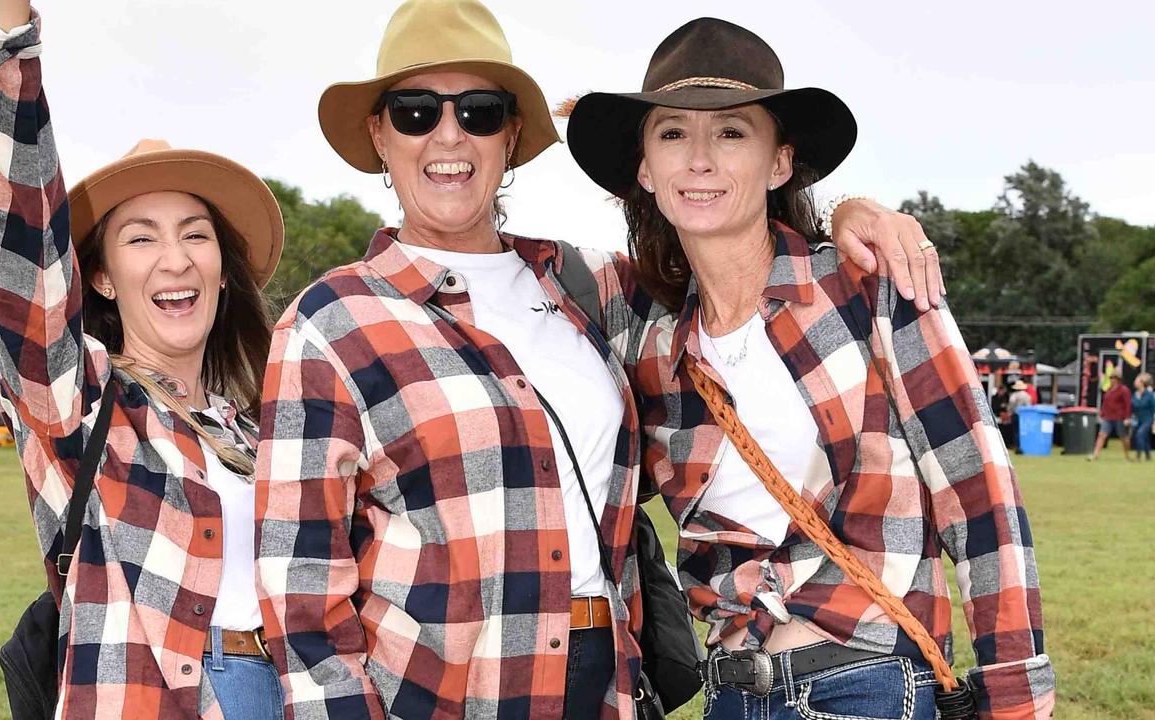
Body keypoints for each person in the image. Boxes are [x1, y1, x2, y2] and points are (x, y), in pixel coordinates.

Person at [255, 2, 942, 717]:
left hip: (606, 682)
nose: (449, 135)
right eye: (417, 111)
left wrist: (848, 214)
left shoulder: (597, 289)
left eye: (481, 111)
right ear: (380, 134)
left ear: (512, 132)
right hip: (440, 692)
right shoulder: (330, 322)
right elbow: (300, 583)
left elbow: (727, 247)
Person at [566, 17, 1054, 720]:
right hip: (729, 692)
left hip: (868, 688)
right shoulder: (647, 339)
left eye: (732, 132)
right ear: (645, 168)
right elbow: (503, 268)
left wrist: (1016, 694)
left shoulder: (869, 288)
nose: (699, 158)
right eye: (672, 132)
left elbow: (981, 502)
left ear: (779, 163)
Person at [0, 1, 286, 717]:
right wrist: (6, 49)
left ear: (223, 270)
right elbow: (20, 244)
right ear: (98, 275)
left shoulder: (257, 429)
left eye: (196, 235)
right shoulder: (80, 396)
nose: (175, 259)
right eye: (140, 238)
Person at [1091, 367, 1132, 461]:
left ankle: (1127, 455)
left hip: (1119, 417)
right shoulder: (1109, 390)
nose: (1112, 380)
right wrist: (1102, 414)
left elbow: (1128, 404)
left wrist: (1127, 417)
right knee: (1102, 435)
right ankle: (1095, 455)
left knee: (1123, 437)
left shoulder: (1124, 390)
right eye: (1111, 378)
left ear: (1118, 379)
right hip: (1108, 417)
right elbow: (1105, 403)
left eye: (1113, 378)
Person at [1130, 372, 1153, 461]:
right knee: (1145, 437)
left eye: (1137, 380)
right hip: (1138, 419)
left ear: (1142, 383)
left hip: (1147, 419)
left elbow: (1153, 407)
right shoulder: (1135, 395)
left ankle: (1138, 455)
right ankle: (1148, 455)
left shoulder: (1149, 395)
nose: (1135, 382)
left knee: (1140, 434)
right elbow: (1132, 407)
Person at [1008, 380, 1034, 454]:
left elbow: (1011, 404)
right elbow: (1029, 406)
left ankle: (1017, 447)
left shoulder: (1014, 395)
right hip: (1025, 416)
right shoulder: (1027, 395)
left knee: (1016, 431)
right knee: (1024, 431)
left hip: (1016, 414)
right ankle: (1024, 446)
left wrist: (1010, 411)